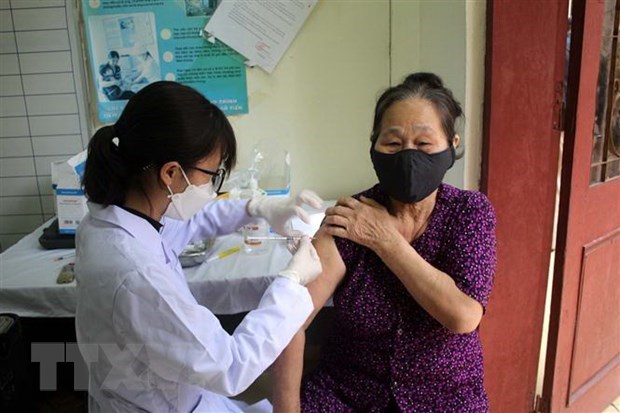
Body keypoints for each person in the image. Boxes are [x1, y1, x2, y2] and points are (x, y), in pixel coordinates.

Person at [75, 81, 324, 412]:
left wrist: (258, 208)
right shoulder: (137, 275)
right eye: (212, 175)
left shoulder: (113, 219)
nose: (213, 187)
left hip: (153, 389)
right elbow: (230, 367)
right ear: (172, 173)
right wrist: (291, 283)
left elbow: (190, 222)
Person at [272, 72, 497, 412]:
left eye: (424, 144)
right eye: (392, 144)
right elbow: (289, 322)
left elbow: (463, 317)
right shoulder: (349, 218)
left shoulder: (470, 213)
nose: (408, 157)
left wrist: (386, 241)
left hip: (446, 397)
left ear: (452, 146)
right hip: (347, 394)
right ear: (374, 146)